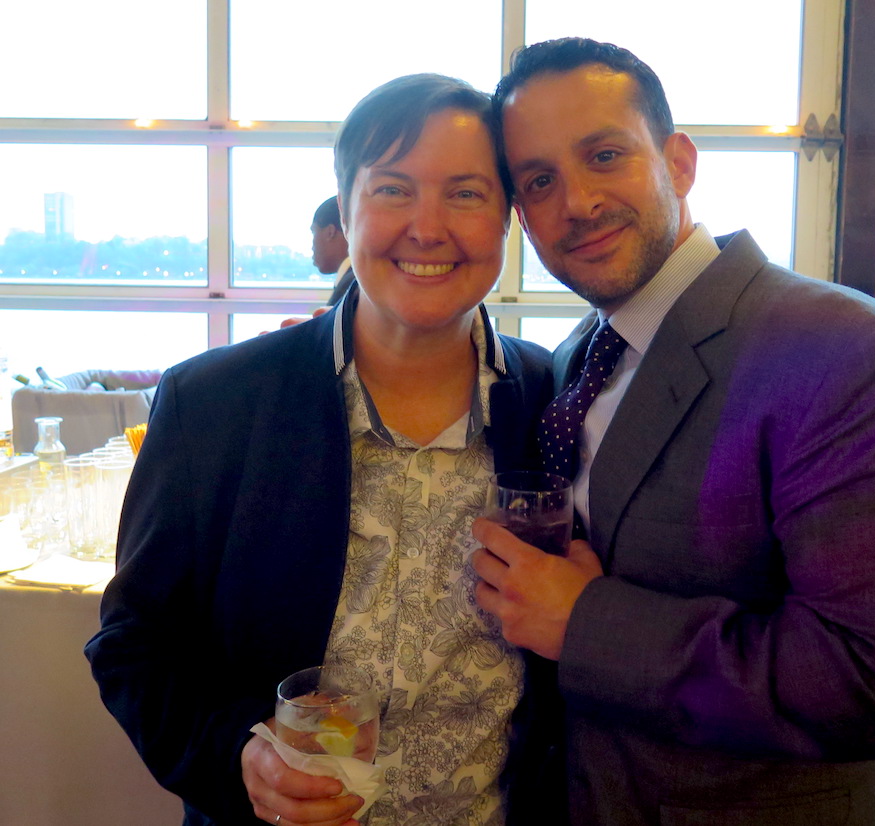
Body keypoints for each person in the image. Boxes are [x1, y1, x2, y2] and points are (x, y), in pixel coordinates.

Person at [472, 37, 875, 825]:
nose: (576, 202)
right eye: (539, 181)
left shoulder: (847, 353)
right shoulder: (578, 358)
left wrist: (587, 625)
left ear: (678, 162)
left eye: (605, 155)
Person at [86, 73, 558, 826]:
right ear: (345, 207)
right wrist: (234, 756)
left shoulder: (552, 401)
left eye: (466, 193)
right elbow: (133, 643)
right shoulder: (215, 403)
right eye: (393, 189)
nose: (427, 227)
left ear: (508, 217)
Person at [274, 198, 354, 332]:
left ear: (330, 232)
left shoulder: (351, 286)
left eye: (314, 232)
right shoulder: (353, 280)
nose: (312, 246)